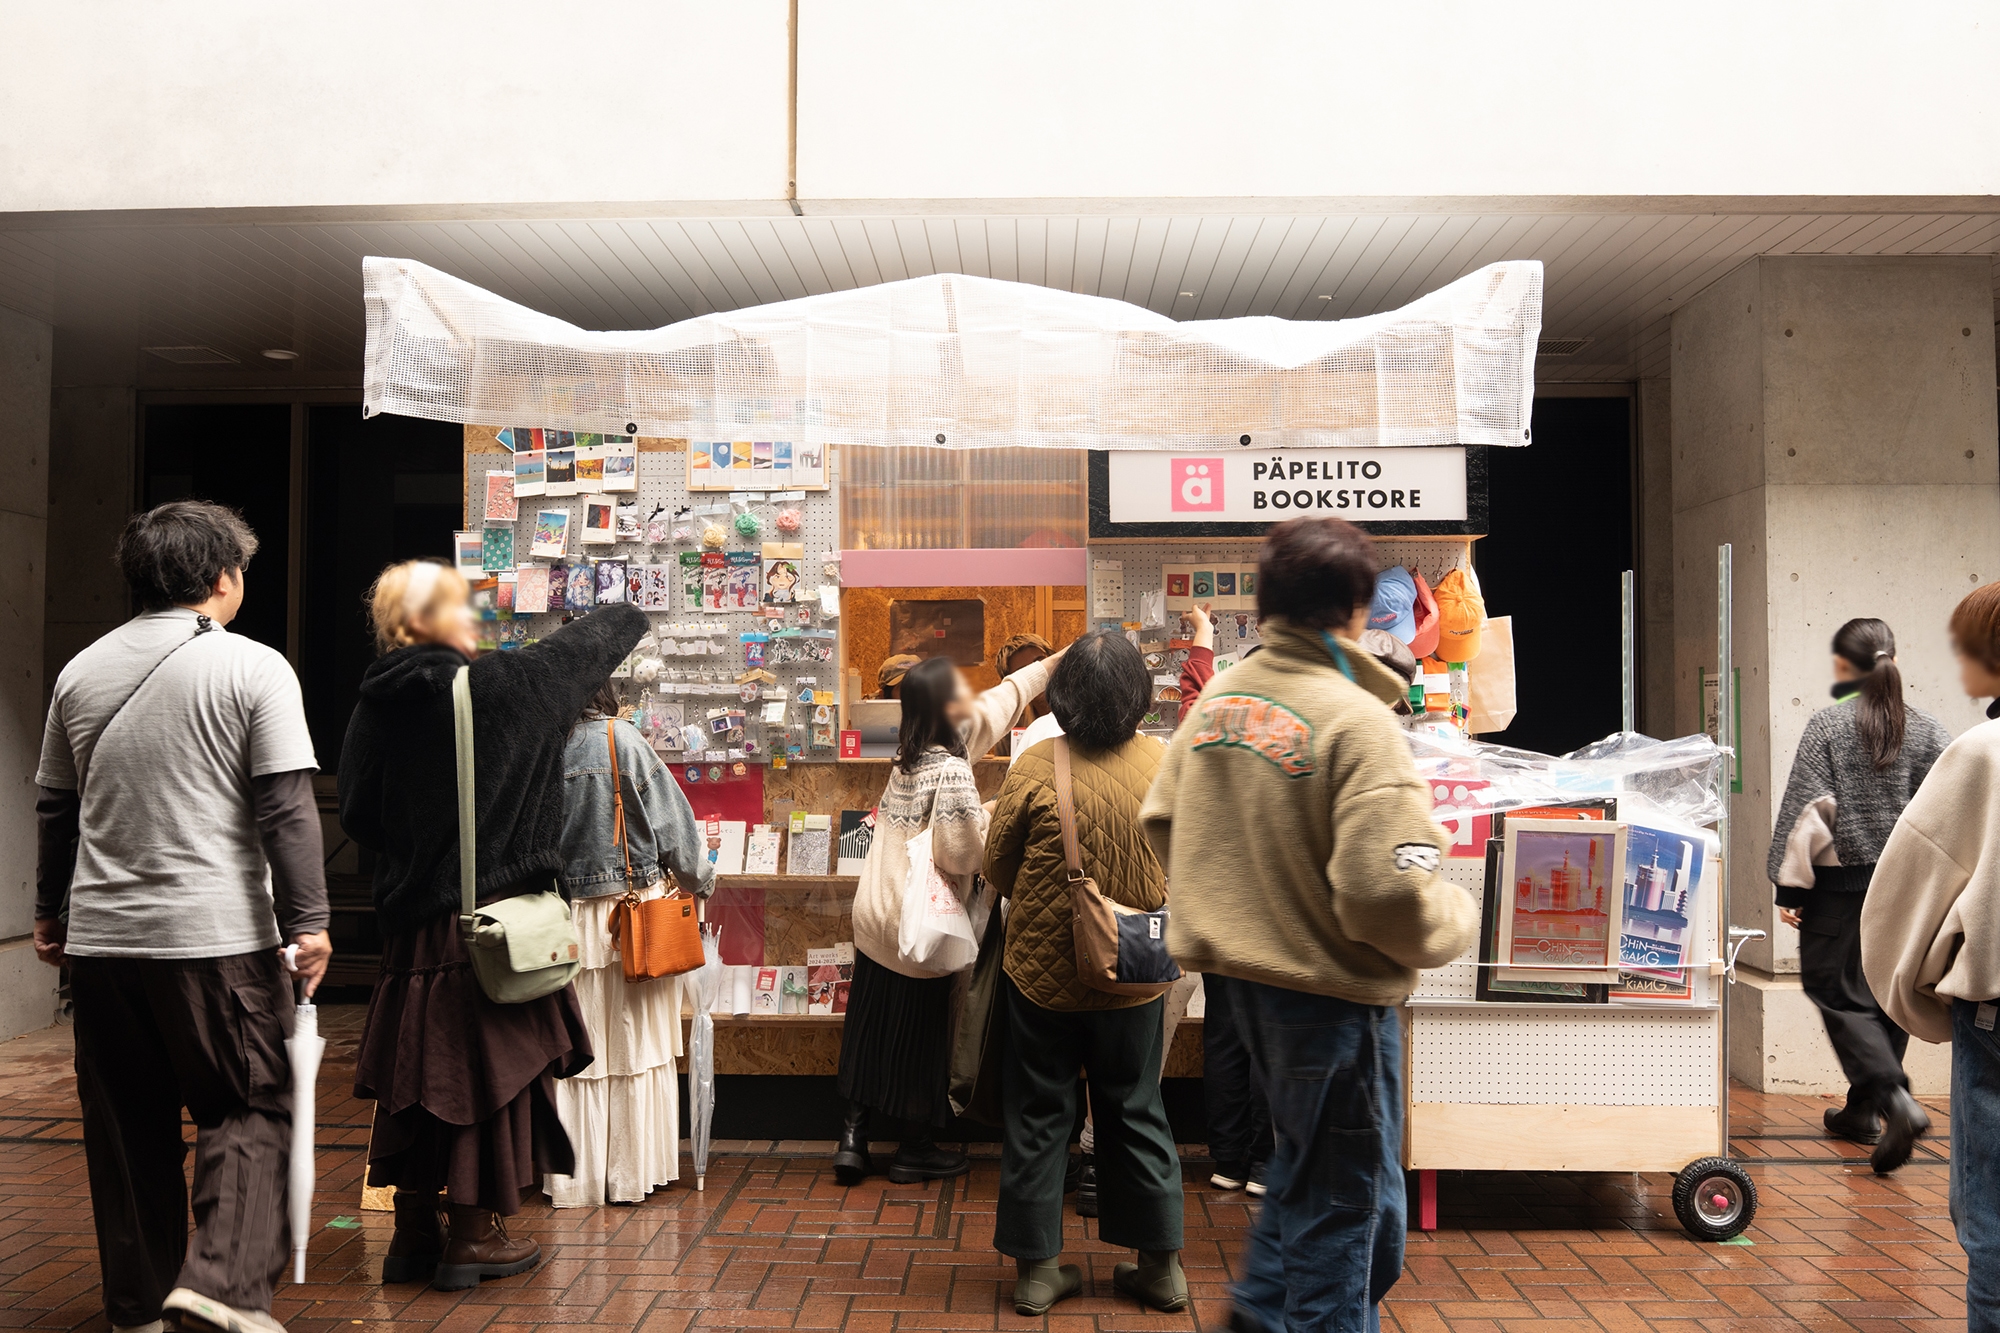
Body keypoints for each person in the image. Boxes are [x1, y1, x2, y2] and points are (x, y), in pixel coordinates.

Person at [1140, 516, 1478, 1333]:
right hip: (1336, 1001)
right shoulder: (1356, 719)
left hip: (1248, 991)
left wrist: (1241, 905)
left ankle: (1259, 1315)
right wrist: (1453, 916)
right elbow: (1386, 891)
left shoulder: (1220, 703)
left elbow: (1163, 818)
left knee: (1327, 1188)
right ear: (1359, 610)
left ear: (1264, 606)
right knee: (1346, 1218)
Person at [33, 500, 329, 1333]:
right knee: (253, 1104)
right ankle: (222, 1283)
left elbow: (57, 808)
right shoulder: (253, 667)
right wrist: (309, 920)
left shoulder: (80, 671)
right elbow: (286, 806)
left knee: (127, 1130)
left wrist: (49, 912)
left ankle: (138, 1307)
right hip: (217, 941)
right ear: (222, 576)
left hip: (101, 945)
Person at [339, 564, 646, 1291]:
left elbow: (355, 813)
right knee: (484, 1076)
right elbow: (613, 630)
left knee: (416, 1078)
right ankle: (474, 1237)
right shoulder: (512, 685)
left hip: (413, 929)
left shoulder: (376, 702)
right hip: (495, 926)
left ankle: (414, 1231)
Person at [984, 631, 1187, 1315]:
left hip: (1043, 976)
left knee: (1040, 1112)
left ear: (1063, 695)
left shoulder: (1036, 764)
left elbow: (997, 867)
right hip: (1137, 968)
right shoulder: (1164, 762)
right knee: (1136, 1106)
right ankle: (1160, 1267)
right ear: (1140, 697)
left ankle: (1038, 1271)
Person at [835, 646, 1058, 1184]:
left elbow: (1000, 702)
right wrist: (991, 811)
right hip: (918, 926)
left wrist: (1050, 666)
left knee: (869, 1028)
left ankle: (852, 1140)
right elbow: (961, 854)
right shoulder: (953, 769)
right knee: (920, 1037)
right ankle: (914, 1149)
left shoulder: (907, 757)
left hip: (875, 916)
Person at [1864, 582, 2000, 1325]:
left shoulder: (1981, 752)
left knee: (1992, 1222)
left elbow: (1909, 887)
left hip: (1996, 1006)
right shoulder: (1932, 733)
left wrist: (1918, 994)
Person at [1769, 618, 1945, 1160]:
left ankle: (1893, 1098)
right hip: (1909, 893)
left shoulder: (1828, 726)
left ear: (1844, 665)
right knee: (1887, 997)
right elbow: (1946, 819)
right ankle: (1863, 1112)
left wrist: (1790, 890)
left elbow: (1808, 814)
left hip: (1839, 893)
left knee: (1835, 990)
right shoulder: (1930, 732)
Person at [545, 682, 716, 1207]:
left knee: (578, 1049)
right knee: (636, 1045)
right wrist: (701, 879)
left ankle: (574, 1177)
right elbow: (675, 829)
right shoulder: (622, 740)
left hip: (567, 920)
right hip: (635, 917)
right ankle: (632, 1172)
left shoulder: (544, 745)